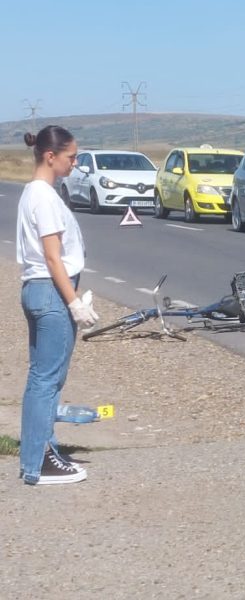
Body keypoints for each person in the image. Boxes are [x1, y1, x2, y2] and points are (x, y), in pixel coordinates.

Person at [16, 126, 98, 485]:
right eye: (71, 157)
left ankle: (43, 451)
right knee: (47, 381)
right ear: (51, 156)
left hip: (38, 290)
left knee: (41, 379)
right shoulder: (45, 198)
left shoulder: (32, 193)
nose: (75, 163)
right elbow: (53, 258)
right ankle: (39, 463)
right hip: (51, 291)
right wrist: (74, 302)